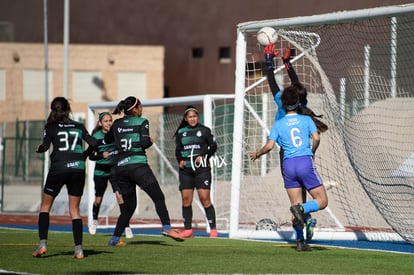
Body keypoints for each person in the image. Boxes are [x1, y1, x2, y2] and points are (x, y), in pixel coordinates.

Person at [250, 86, 328, 251]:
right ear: (298, 102)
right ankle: (302, 210)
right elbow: (316, 137)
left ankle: (300, 242)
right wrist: (312, 151)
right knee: (321, 201)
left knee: (295, 203)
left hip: (288, 165)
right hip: (304, 162)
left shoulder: (279, 124)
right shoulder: (306, 120)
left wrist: (258, 153)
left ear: (283, 105)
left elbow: (270, 146)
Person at [263, 43, 328, 242]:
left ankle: (300, 238)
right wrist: (287, 63)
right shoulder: (303, 106)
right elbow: (296, 84)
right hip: (304, 155)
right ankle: (306, 217)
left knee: (295, 200)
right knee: (306, 200)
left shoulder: (281, 104)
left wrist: (268, 61)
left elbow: (272, 82)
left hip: (287, 157)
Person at [103, 96, 184, 245]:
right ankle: (166, 227)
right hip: (137, 166)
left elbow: (107, 140)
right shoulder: (142, 121)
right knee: (158, 197)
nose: (141, 109)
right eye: (140, 106)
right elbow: (145, 142)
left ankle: (115, 238)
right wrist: (150, 142)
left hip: (121, 169)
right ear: (135, 109)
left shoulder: (117, 123)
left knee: (129, 207)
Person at [32, 97, 98, 259]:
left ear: (53, 110)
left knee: (45, 207)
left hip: (59, 168)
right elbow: (94, 143)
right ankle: (79, 250)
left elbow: (46, 147)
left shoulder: (50, 127)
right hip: (78, 169)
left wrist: (40, 149)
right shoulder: (78, 126)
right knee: (74, 210)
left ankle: (42, 245)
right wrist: (83, 156)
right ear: (68, 109)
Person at [174, 106, 218, 238]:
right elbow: (178, 150)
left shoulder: (204, 130)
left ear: (197, 117)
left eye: (194, 116)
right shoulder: (181, 132)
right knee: (186, 200)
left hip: (202, 170)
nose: (192, 119)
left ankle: (213, 230)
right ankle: (188, 230)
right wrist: (180, 160)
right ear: (186, 118)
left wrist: (203, 156)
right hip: (186, 171)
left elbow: (213, 146)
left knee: (205, 199)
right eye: (190, 117)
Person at [87, 111, 133, 239]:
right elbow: (90, 156)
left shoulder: (115, 134)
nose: (108, 123)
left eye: (110, 120)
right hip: (100, 171)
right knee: (98, 199)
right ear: (100, 123)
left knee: (120, 197)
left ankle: (126, 225)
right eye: (106, 121)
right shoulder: (96, 136)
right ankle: (94, 220)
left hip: (114, 170)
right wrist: (101, 155)